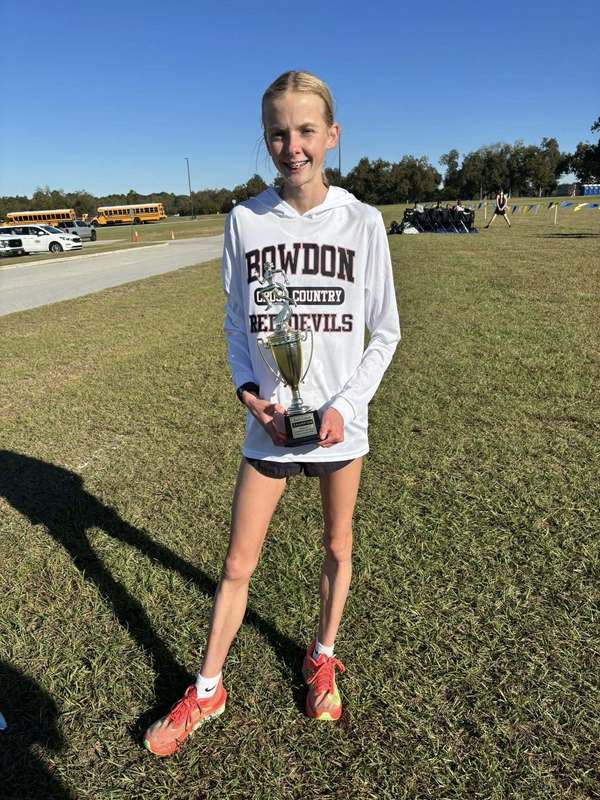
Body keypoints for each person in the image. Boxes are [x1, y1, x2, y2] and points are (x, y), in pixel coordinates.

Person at [144, 70, 401, 757]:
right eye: (280, 133)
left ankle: (321, 656)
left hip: (342, 426)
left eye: (307, 130)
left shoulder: (361, 222)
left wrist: (348, 406)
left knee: (338, 547)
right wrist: (248, 394)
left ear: (332, 136)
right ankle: (207, 688)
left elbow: (386, 331)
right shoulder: (245, 220)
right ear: (266, 140)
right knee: (236, 562)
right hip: (270, 423)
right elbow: (236, 322)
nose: (294, 145)